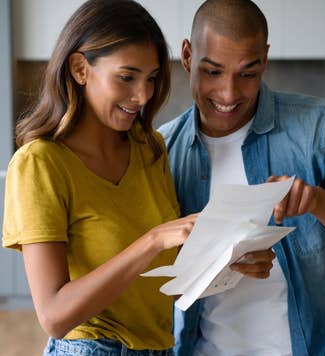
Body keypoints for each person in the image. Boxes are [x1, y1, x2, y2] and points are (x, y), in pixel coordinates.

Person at [158, 0, 325, 355]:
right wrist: (214, 260)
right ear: (187, 56)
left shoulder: (323, 130)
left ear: (264, 59)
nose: (229, 94)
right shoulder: (159, 153)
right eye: (213, 72)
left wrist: (317, 202)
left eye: (247, 73)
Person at [2, 1, 199, 355]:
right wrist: (151, 240)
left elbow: (164, 268)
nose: (143, 96)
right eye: (126, 77)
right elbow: (54, 316)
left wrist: (229, 255)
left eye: (151, 78)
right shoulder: (40, 164)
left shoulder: (149, 148)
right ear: (80, 68)